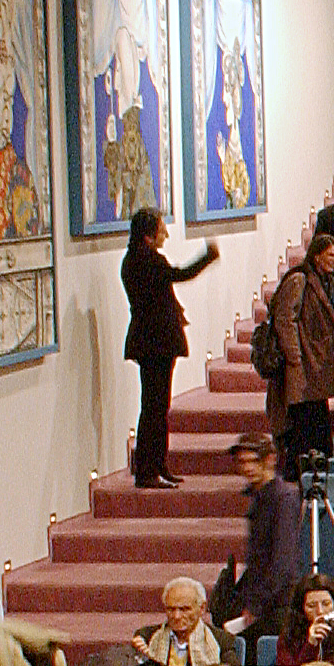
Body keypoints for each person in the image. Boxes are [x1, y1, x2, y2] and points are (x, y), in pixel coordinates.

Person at [119, 204, 218, 490]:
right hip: (156, 342)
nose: (165, 233)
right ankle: (149, 470)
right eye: (161, 228)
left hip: (150, 341)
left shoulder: (132, 260)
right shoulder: (149, 261)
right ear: (148, 235)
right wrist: (208, 256)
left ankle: (156, 465)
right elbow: (182, 274)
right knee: (154, 408)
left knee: (155, 407)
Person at [262, 231, 334, 477]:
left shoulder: (328, 281)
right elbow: (285, 318)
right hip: (302, 364)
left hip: (316, 366)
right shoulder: (299, 280)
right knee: (303, 425)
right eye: (331, 255)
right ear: (316, 256)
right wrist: (295, 356)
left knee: (318, 422)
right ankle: (297, 475)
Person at [132, 577, 231, 666]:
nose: (176, 616)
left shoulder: (223, 642)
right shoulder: (149, 638)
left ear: (202, 608)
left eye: (184, 609)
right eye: (171, 609)